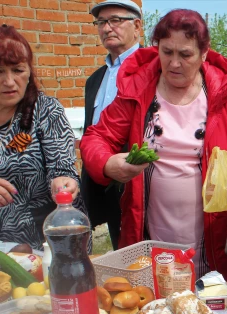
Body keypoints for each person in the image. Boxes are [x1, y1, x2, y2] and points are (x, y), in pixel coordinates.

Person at [80, 9, 227, 299]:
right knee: (152, 308)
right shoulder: (139, 86)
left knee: (211, 312)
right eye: (166, 52)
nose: (174, 63)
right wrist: (107, 163)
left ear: (204, 53)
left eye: (186, 54)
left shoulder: (225, 92)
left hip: (212, 230)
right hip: (149, 224)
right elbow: (97, 136)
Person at [0, 25, 85, 251]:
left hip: (47, 237)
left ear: (29, 71)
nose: (10, 81)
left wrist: (63, 182)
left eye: (18, 70)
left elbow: (62, 167)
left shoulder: (46, 111)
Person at [82, 0, 142, 250]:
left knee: (135, 251)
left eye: (116, 20)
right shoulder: (95, 79)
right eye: (101, 22)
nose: (107, 28)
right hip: (96, 177)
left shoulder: (151, 69)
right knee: (101, 251)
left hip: (134, 176)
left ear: (137, 26)